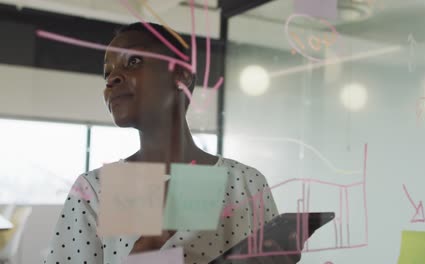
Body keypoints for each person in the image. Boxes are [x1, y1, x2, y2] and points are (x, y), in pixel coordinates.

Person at [44, 22, 301, 264]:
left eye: (133, 61)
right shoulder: (96, 189)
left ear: (182, 75)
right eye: (107, 74)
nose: (112, 79)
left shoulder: (246, 182)